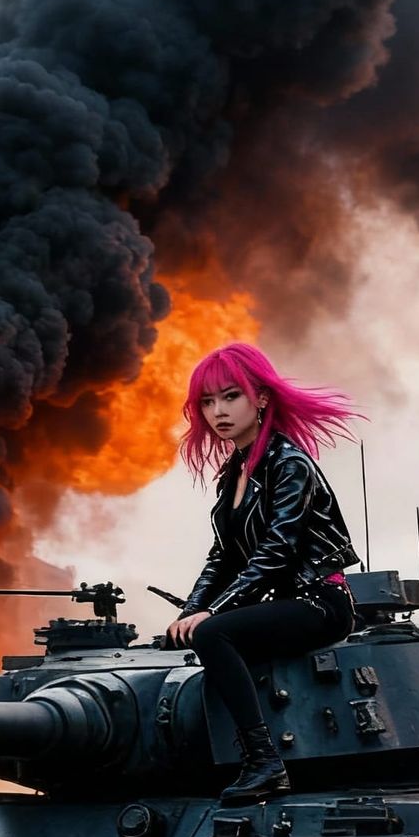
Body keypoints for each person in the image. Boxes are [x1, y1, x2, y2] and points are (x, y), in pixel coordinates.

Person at [166, 342, 363, 805]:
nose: (218, 411)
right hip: (279, 603)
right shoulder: (234, 472)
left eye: (230, 396)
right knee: (193, 634)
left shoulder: (290, 464)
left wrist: (212, 613)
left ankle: (264, 762)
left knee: (214, 635)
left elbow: (279, 549)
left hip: (319, 602)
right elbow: (222, 557)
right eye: (207, 402)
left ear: (261, 398)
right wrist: (191, 611)